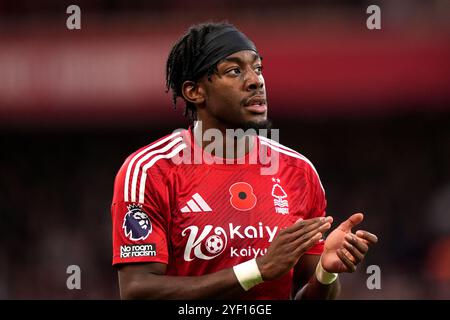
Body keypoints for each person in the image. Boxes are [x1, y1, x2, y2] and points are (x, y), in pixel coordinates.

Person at [110, 22, 378, 299]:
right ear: (194, 91)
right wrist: (257, 270)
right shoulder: (150, 170)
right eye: (235, 70)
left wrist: (325, 272)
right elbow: (137, 290)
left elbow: (303, 293)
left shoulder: (298, 171)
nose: (255, 80)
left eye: (258, 68)